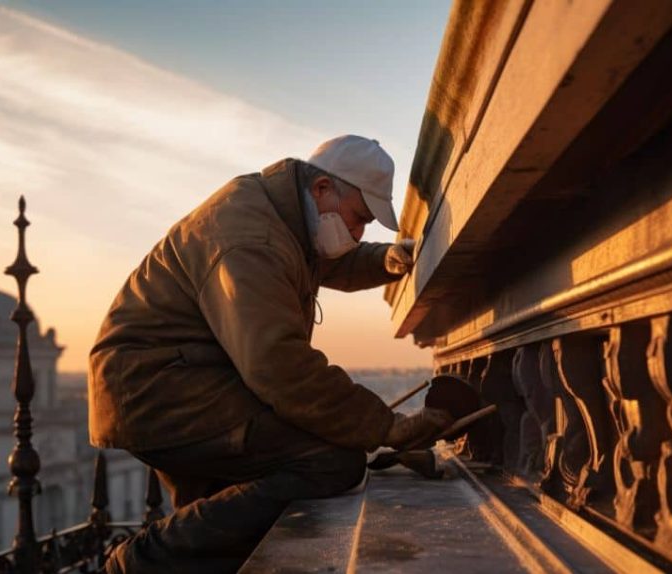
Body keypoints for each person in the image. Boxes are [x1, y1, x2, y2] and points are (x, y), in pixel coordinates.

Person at [88, 135, 452, 573]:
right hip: (156, 388)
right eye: (359, 219)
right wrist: (384, 425)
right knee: (329, 460)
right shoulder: (253, 238)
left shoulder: (282, 214)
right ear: (322, 189)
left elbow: (330, 259)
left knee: (218, 528)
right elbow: (280, 368)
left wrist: (383, 260)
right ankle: (137, 563)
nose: (358, 233)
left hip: (169, 380)